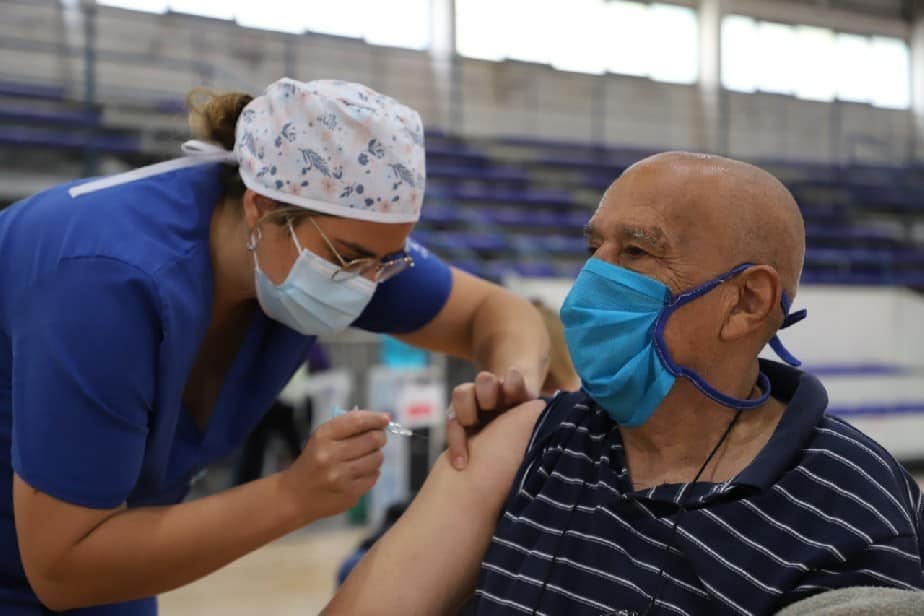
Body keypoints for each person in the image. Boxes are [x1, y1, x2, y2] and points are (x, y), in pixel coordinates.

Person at [0, 78, 550, 614]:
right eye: (350, 258)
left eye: (387, 261)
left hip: (107, 566)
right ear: (260, 208)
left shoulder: (334, 241)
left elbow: (499, 313)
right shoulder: (107, 283)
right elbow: (63, 568)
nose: (366, 282)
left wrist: (512, 385)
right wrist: (295, 495)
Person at [326, 152, 924, 615]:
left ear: (746, 302)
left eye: (636, 252)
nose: (591, 280)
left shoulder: (848, 503)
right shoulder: (530, 440)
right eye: (594, 247)